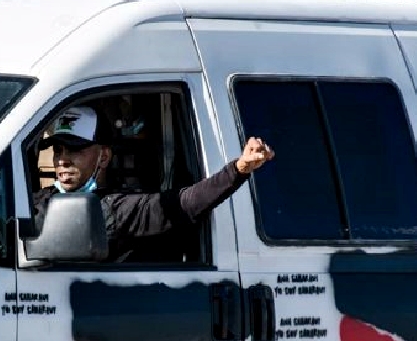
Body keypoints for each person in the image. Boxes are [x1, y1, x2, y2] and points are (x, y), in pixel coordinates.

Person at [32, 105, 274, 262]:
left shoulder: (118, 208)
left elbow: (184, 204)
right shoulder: (36, 200)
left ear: (103, 157)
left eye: (75, 149)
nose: (62, 159)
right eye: (58, 149)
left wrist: (239, 169)